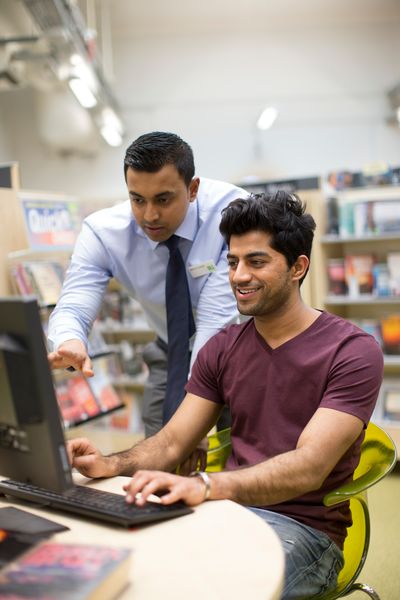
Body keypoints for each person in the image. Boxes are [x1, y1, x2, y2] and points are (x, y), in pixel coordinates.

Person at [67, 191, 383, 599]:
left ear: (297, 267)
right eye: (232, 262)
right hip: (225, 513)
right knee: (130, 574)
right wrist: (108, 463)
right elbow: (172, 442)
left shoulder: (352, 350)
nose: (238, 276)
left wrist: (207, 486)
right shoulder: (223, 346)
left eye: (256, 261)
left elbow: (309, 466)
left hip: (304, 532)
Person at [48, 131, 247, 439]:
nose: (150, 215)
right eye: (137, 199)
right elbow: (74, 301)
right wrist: (70, 339)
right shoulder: (104, 233)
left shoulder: (233, 213)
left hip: (243, 351)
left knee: (243, 458)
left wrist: (189, 431)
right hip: (170, 353)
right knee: (157, 455)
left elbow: (214, 323)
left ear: (192, 189)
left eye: (163, 199)